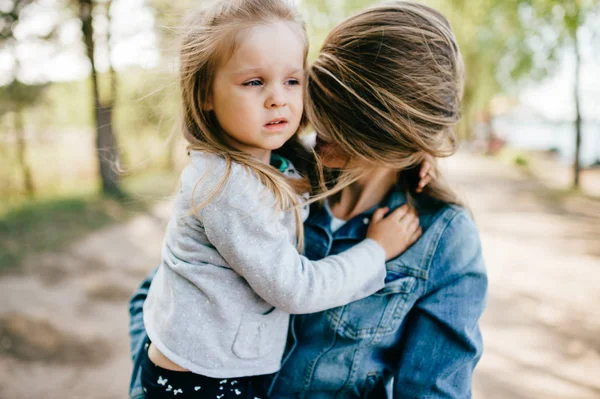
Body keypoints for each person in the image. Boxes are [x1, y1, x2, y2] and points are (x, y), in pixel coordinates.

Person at [130, 1, 487, 398]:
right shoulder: (271, 178)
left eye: (345, 114)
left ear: (392, 134)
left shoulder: (444, 240)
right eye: (321, 89)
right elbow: (158, 292)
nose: (314, 117)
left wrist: (416, 152)